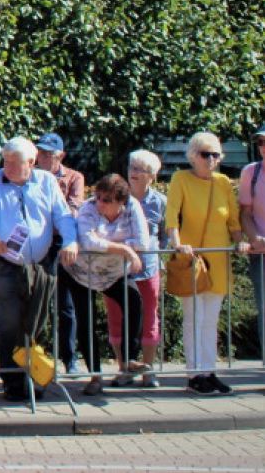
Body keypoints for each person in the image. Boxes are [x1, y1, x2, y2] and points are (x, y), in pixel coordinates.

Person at [0, 136, 80, 401]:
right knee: (10, 320)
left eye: (14, 162)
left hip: (40, 263)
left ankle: (35, 375)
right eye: (5, 160)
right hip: (6, 263)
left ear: (31, 163)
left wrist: (70, 241)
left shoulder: (46, 182)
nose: (7, 166)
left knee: (37, 321)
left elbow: (62, 215)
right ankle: (11, 379)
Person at [166, 132, 250, 396]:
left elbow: (233, 220)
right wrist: (178, 244)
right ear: (193, 156)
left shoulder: (224, 182)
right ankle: (194, 374)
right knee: (194, 318)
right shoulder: (181, 179)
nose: (211, 160)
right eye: (206, 154)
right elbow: (172, 218)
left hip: (218, 258)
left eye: (215, 155)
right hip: (193, 260)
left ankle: (209, 371)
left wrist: (241, 242)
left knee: (210, 321)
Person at [64, 174, 149, 396]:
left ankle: (129, 358)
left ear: (121, 201)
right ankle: (95, 376)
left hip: (113, 273)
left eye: (107, 199)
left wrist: (115, 246)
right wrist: (124, 249)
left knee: (134, 300)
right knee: (86, 321)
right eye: (99, 196)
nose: (100, 202)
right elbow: (88, 241)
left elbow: (142, 241)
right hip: (82, 272)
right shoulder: (88, 208)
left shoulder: (133, 207)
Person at [106, 150, 166, 388]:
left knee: (150, 317)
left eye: (141, 169)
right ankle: (124, 369)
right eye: (132, 167)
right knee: (117, 318)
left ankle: (148, 370)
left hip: (148, 269)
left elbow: (165, 234)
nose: (134, 173)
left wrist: (159, 257)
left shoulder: (160, 202)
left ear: (152, 175)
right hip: (118, 268)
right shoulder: (119, 197)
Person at [36, 131, 89, 376]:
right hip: (38, 244)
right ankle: (35, 355)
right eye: (41, 153)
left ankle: (70, 358)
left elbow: (73, 211)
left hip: (62, 245)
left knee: (66, 305)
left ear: (61, 156)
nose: (43, 158)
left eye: (48, 154)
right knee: (37, 302)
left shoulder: (74, 177)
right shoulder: (32, 177)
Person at [239, 125, 265, 366]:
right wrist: (255, 238)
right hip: (261, 253)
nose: (264, 148)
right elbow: (245, 213)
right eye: (261, 143)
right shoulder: (251, 172)